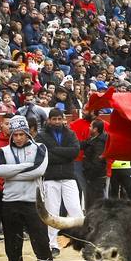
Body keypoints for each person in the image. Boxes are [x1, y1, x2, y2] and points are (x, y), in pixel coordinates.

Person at [0, 116, 66, 261]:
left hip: (33, 202)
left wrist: (14, 171)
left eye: (21, 134)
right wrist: (26, 167)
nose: (18, 137)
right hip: (10, 203)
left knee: (41, 244)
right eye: (15, 134)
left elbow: (39, 171)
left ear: (28, 133)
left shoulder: (39, 148)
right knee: (13, 247)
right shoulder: (2, 151)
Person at [38, 107, 84, 253]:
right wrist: (65, 154)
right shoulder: (41, 136)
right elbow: (44, 156)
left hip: (68, 177)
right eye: (54, 119)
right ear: (49, 120)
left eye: (59, 119)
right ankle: (53, 245)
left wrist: (54, 151)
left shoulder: (70, 134)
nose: (57, 121)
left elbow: (75, 152)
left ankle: (81, 240)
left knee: (75, 209)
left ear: (63, 119)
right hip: (50, 178)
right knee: (52, 212)